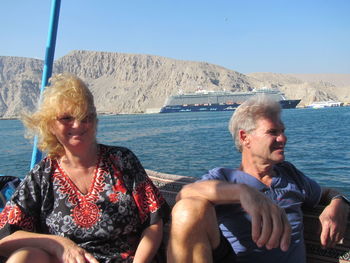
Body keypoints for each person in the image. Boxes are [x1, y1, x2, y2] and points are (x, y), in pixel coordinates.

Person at [0, 73, 169, 263]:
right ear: (50, 125)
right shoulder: (42, 175)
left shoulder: (122, 161)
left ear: (95, 120)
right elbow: (6, 235)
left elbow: (153, 222)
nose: (78, 125)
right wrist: (57, 244)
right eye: (66, 118)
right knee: (25, 257)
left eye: (85, 117)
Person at [167, 95, 349, 263]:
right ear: (245, 138)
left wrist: (338, 203)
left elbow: (325, 192)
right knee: (187, 209)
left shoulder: (290, 174)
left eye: (283, 131)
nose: (283, 138)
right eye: (273, 132)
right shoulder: (223, 177)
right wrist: (243, 192)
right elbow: (185, 195)